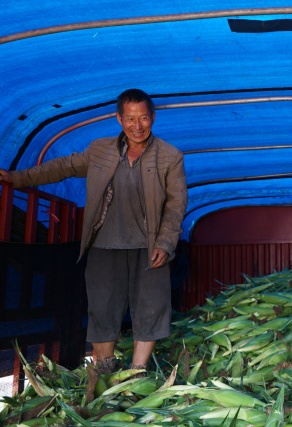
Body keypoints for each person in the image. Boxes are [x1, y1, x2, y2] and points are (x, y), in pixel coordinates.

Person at [0, 89, 188, 376]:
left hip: (150, 247)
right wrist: (17, 178)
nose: (137, 126)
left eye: (143, 118)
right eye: (130, 118)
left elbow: (176, 204)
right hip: (104, 244)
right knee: (102, 308)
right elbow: (63, 167)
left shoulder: (170, 156)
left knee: (151, 307)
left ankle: (137, 371)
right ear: (119, 118)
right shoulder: (100, 150)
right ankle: (104, 368)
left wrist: (165, 242)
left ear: (153, 117)